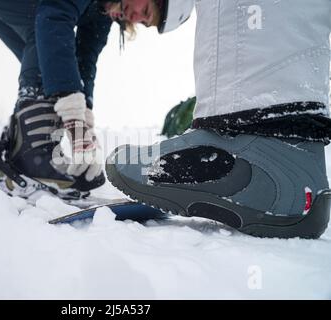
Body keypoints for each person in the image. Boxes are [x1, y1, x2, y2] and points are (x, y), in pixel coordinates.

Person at [106, 0, 331, 238]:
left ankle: (248, 141)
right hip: (309, 166)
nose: (132, 16)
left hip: (238, 127)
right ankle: (292, 167)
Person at [0, 0, 166, 197]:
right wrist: (73, 119)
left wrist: (85, 125)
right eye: (145, 10)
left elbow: (84, 60)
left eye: (144, 22)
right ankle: (30, 158)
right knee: (47, 34)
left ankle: (21, 151)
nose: (136, 19)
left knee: (50, 58)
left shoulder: (103, 12)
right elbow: (53, 17)